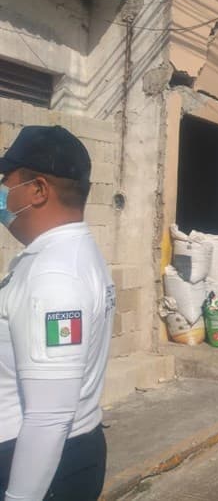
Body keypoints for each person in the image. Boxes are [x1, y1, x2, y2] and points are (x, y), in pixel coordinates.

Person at [0, 125, 115, 500]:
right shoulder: (69, 255)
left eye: (6, 180)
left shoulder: (54, 275)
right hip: (57, 457)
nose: (1, 190)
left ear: (37, 190)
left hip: (35, 465)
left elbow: (49, 416)